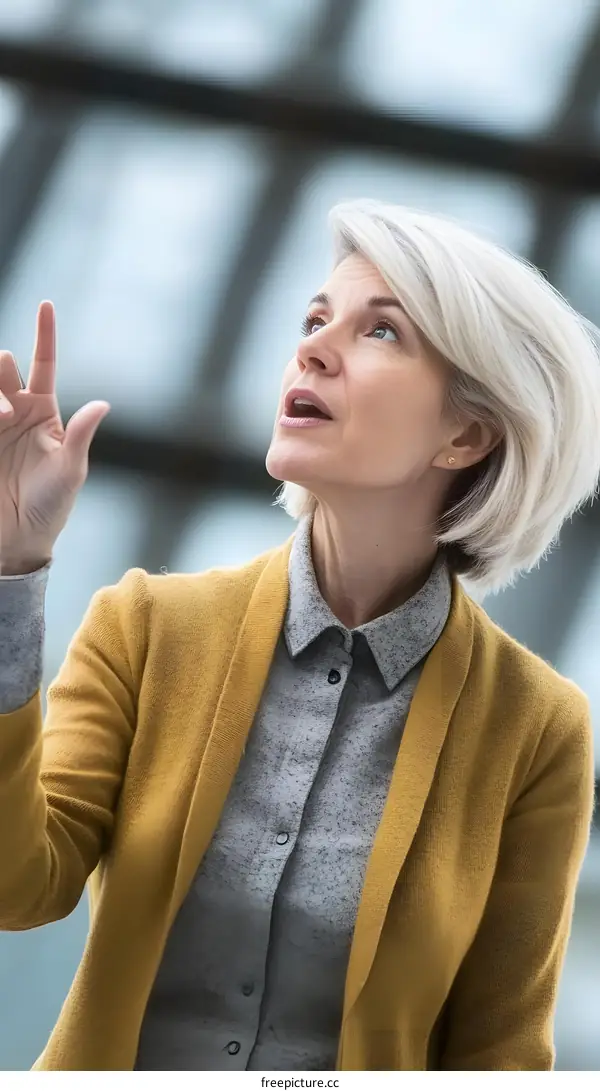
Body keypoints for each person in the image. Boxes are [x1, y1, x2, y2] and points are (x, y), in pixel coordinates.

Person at [0, 199, 598, 1073]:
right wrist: (13, 571)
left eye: (381, 332)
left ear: (466, 434)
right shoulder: (146, 627)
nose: (313, 347)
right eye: (315, 319)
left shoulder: (538, 729)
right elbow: (19, 884)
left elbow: (500, 1052)